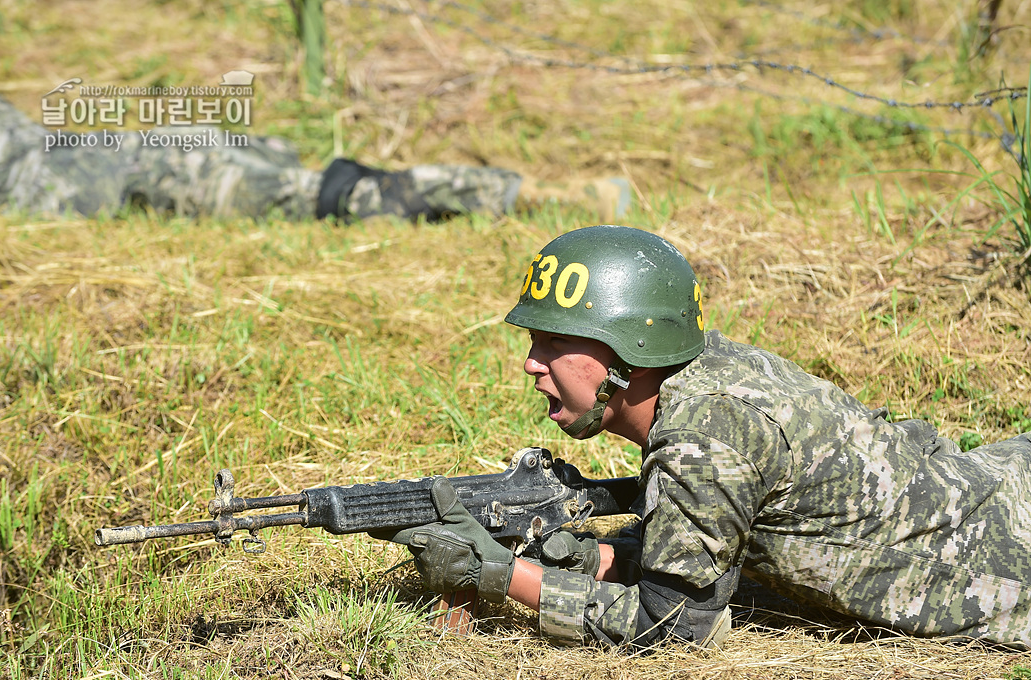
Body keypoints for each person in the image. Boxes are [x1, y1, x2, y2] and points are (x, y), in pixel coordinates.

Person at [380, 225, 1031, 650]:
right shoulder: (707, 374)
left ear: (625, 354)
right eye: (532, 341)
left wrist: (501, 575)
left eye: (553, 343)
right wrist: (598, 560)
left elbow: (673, 628)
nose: (531, 362)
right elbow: (721, 536)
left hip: (1000, 567)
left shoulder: (704, 439)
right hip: (991, 486)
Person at [0, 69, 629, 222]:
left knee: (337, 190)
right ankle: (536, 195)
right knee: (338, 192)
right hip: (144, 166)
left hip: (148, 160)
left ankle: (531, 196)